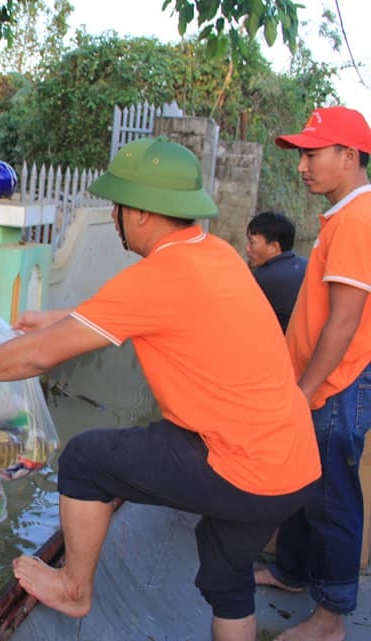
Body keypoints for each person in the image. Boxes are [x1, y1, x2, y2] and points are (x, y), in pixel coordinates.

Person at [0, 137, 320, 641]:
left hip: (236, 463)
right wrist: (60, 318)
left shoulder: (158, 275)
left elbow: (38, 355)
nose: (113, 217)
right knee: (228, 574)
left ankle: (74, 587)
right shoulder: (213, 253)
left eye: (116, 206)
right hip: (292, 465)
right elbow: (129, 312)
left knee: (88, 460)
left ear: (139, 212)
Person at [254, 106, 371, 641]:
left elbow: (345, 321)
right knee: (305, 485)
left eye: (312, 153)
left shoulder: (357, 219)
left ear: (348, 157)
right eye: (301, 154)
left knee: (332, 499)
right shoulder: (341, 216)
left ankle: (330, 618)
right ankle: (292, 573)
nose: (303, 165)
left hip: (336, 386)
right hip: (319, 385)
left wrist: (304, 391)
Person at [245, 210, 308, 332]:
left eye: (252, 242)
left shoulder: (261, 279)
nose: (247, 249)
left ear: (273, 247)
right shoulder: (306, 265)